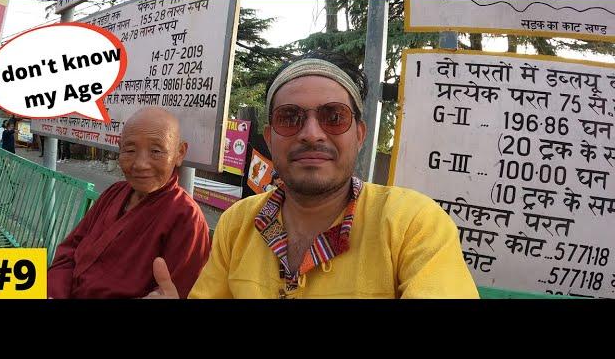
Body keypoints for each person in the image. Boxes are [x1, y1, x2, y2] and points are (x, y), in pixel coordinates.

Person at [149, 51, 478, 299]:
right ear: (271, 136)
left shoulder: (411, 223)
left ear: (360, 135)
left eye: (334, 116)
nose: (311, 134)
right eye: (289, 117)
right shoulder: (238, 223)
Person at [47, 107, 211, 298]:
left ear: (179, 153)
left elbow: (179, 290)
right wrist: (55, 291)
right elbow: (69, 251)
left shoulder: (186, 217)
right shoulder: (114, 192)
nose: (140, 164)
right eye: (130, 150)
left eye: (156, 151)